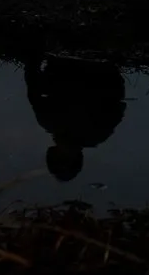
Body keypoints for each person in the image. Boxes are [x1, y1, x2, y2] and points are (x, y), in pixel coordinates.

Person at [23, 53, 127, 182]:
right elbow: (118, 99)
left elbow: (32, 81)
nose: (64, 151)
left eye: (60, 156)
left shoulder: (48, 121)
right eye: (64, 157)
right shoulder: (97, 133)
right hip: (92, 64)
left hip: (68, 62)